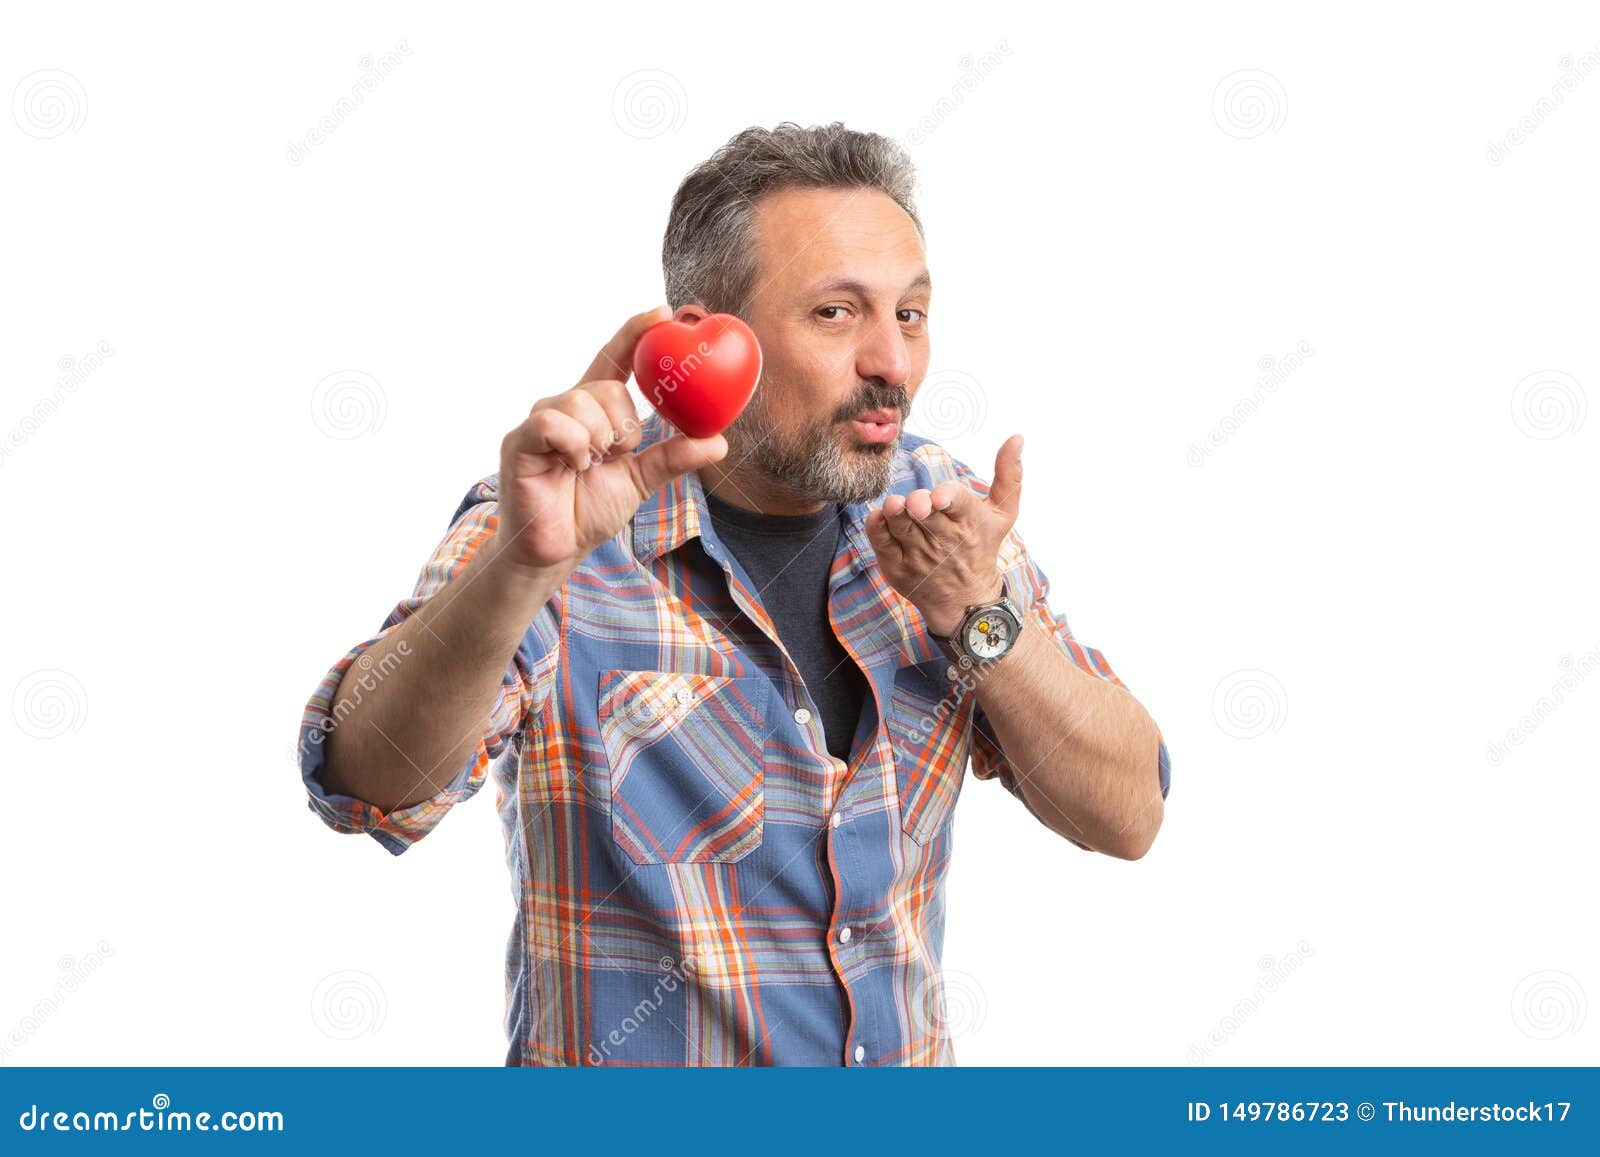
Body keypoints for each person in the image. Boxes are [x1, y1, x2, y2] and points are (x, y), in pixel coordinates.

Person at [298, 122, 1172, 1066]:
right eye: (837, 313)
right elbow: (363, 783)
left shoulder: (944, 520)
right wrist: (518, 567)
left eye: (910, 315)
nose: (894, 363)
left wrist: (976, 614)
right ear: (706, 337)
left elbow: (1128, 813)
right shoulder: (557, 528)